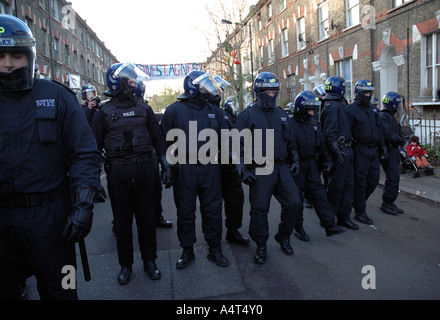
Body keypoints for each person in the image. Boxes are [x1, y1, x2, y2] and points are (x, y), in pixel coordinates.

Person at [0, 14, 101, 300]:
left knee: (63, 292)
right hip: (2, 221)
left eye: (16, 55)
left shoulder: (56, 97)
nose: (8, 64)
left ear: (29, 57)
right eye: (1, 55)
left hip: (51, 222)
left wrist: (84, 204)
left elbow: (84, 153)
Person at [92, 62, 173, 285]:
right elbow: (93, 149)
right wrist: (92, 181)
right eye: (129, 81)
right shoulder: (103, 113)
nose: (134, 84)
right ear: (117, 83)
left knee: (147, 219)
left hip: (146, 169)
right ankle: (126, 265)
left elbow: (158, 139)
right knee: (122, 222)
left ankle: (150, 261)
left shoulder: (144, 109)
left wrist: (166, 165)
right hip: (119, 172)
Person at [160, 70, 230, 269]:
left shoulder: (215, 111)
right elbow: (164, 141)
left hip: (211, 168)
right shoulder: (174, 111)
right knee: (185, 212)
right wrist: (167, 167)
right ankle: (187, 250)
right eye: (204, 85)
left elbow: (227, 140)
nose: (209, 89)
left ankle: (214, 248)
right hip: (185, 169)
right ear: (193, 87)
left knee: (213, 210)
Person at [235, 72, 302, 264]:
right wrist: (243, 168)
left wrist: (295, 159)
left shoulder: (282, 114)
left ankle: (283, 235)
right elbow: (237, 144)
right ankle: (261, 245)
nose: (272, 94)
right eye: (268, 91)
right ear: (259, 91)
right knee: (259, 210)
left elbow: (291, 140)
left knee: (294, 203)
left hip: (281, 167)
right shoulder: (247, 116)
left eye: (275, 91)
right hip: (261, 169)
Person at [287, 91, 346, 241]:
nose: (312, 113)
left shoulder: (314, 124)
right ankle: (298, 228)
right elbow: (288, 144)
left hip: (311, 164)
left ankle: (329, 225)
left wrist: (328, 160)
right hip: (297, 165)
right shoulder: (290, 124)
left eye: (314, 110)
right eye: (310, 110)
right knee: (297, 200)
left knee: (319, 195)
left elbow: (321, 144)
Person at [209, 81, 249, 246]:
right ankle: (214, 241)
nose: (219, 94)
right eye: (216, 91)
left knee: (235, 199)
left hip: (229, 163)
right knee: (212, 204)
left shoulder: (223, 113)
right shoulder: (202, 112)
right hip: (211, 164)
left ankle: (233, 230)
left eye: (220, 91)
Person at [346, 80, 387, 225]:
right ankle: (360, 211)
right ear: (359, 93)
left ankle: (357, 202)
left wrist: (383, 145)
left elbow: (379, 128)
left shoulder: (373, 109)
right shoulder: (351, 110)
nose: (368, 95)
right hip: (359, 150)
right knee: (360, 182)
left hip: (373, 150)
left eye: (370, 92)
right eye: (365, 92)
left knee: (373, 180)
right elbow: (347, 132)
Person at [320, 76, 359, 230]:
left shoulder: (339, 104)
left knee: (348, 186)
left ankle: (344, 217)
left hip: (347, 150)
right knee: (336, 188)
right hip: (340, 151)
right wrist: (336, 151)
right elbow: (329, 133)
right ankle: (328, 219)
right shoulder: (331, 106)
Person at [134, 81, 173, 229]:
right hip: (123, 161)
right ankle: (119, 222)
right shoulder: (110, 108)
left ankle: (157, 216)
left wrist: (164, 162)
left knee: (154, 189)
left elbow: (156, 135)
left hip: (147, 155)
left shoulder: (145, 108)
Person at [378, 92, 406, 215]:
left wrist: (400, 137)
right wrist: (400, 139)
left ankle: (391, 202)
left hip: (393, 150)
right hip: (388, 150)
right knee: (392, 177)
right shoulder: (384, 116)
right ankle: (387, 203)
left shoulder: (390, 116)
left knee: (395, 177)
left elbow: (396, 131)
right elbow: (388, 135)